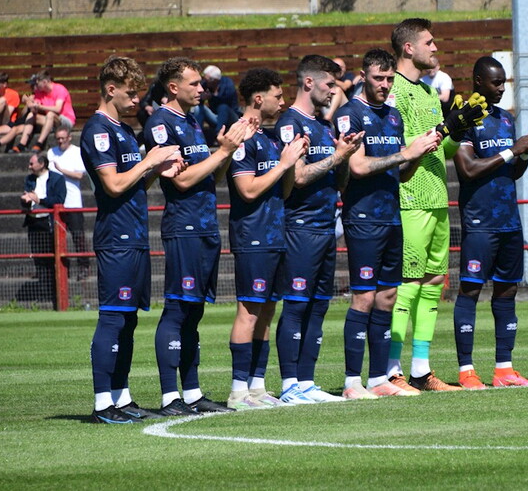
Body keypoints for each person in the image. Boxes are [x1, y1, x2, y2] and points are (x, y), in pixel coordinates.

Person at [144, 56, 256, 415]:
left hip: (206, 225)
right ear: (173, 87)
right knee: (178, 309)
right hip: (185, 227)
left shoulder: (191, 121)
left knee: (194, 312)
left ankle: (192, 393)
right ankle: (169, 396)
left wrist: (229, 151)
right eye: (194, 83)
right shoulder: (161, 123)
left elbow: (210, 176)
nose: (201, 89)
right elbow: (180, 180)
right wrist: (222, 151)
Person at [81, 55, 185, 424]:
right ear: (110, 90)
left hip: (135, 236)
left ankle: (121, 397)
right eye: (130, 93)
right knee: (113, 318)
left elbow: (134, 182)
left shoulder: (124, 130)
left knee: (128, 321)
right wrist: (149, 161)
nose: (137, 99)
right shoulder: (98, 131)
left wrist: (158, 169)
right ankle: (101, 404)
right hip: (116, 238)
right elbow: (112, 185)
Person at [386, 17, 487, 392]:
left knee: (432, 284)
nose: (435, 48)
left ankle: (420, 370)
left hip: (437, 198)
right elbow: (402, 148)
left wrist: (458, 130)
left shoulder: (430, 92)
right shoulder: (392, 90)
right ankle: (391, 370)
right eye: (429, 42)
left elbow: (441, 150)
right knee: (407, 284)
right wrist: (445, 127)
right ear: (409, 47)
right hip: (409, 198)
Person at [336, 49, 440, 399]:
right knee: (364, 298)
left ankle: (379, 379)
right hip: (363, 218)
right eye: (378, 78)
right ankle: (352, 382)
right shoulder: (350, 114)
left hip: (392, 216)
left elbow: (402, 171)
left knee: (387, 297)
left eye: (389, 78)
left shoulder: (394, 116)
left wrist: (418, 154)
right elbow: (358, 167)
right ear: (364, 76)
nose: (384, 84)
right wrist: (406, 153)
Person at [273, 55, 363, 404]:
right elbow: (297, 177)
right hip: (300, 228)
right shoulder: (290, 123)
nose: (333, 91)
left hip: (326, 227)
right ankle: (289, 384)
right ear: (308, 82)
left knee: (319, 306)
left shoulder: (324, 126)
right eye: (329, 84)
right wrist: (337, 157)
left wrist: (346, 154)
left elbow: (339, 181)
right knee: (296, 305)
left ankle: (307, 382)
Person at [452, 56, 528, 389]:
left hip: (509, 220)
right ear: (478, 81)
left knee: (507, 291)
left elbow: (513, 171)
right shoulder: (463, 118)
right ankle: (466, 371)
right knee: (470, 290)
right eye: (496, 82)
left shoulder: (506, 119)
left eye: (504, 82)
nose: (502, 88)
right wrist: (512, 151)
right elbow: (467, 169)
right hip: (480, 221)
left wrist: (526, 152)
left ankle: (504, 370)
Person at [224, 68, 308, 410]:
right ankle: (237, 391)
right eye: (278, 95)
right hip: (252, 237)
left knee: (267, 312)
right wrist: (283, 164)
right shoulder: (241, 136)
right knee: (248, 311)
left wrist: (292, 161)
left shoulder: (271, 138)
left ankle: (256, 387)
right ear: (258, 99)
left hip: (275, 234)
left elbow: (283, 191)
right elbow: (247, 190)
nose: (283, 102)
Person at [20, 153, 66, 303]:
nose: (29, 167)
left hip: (48, 222)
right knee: (39, 259)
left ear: (42, 164)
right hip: (34, 222)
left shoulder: (57, 179)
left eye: (32, 164)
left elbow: (59, 201)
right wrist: (26, 201)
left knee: (52, 259)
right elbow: (28, 199)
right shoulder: (29, 179)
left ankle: (55, 294)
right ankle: (43, 293)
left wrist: (39, 200)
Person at [47, 128, 91, 280]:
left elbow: (79, 175)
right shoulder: (51, 152)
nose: (60, 141)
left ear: (69, 138)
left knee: (78, 236)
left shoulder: (77, 152)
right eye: (58, 138)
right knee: (56, 239)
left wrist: (61, 170)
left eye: (63, 138)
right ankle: (62, 269)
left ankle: (84, 266)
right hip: (57, 203)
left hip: (73, 202)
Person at [13, 71, 76, 153]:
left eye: (37, 83)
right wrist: (30, 103)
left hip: (65, 120)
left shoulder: (60, 89)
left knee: (50, 114)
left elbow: (58, 109)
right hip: (50, 121)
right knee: (31, 114)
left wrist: (41, 107)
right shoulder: (39, 92)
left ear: (44, 82)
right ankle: (22, 144)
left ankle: (39, 143)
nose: (36, 86)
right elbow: (35, 108)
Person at [195, 65, 241, 145]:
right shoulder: (205, 84)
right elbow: (198, 101)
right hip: (215, 117)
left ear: (215, 80)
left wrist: (212, 96)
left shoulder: (227, 83)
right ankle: (197, 134)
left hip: (231, 118)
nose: (206, 82)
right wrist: (202, 98)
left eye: (208, 80)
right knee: (199, 108)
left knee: (223, 107)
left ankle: (217, 135)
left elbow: (227, 99)